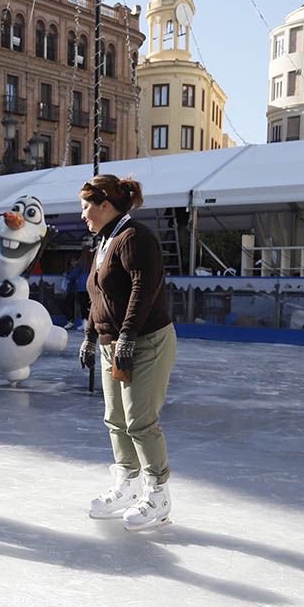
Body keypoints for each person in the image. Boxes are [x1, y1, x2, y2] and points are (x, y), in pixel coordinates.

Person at [79, 175, 177, 532]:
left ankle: (158, 494)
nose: (83, 215)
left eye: (87, 207)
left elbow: (143, 289)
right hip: (113, 344)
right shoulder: (105, 240)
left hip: (146, 342)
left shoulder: (135, 238)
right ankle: (128, 486)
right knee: (115, 419)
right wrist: (91, 336)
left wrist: (128, 336)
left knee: (140, 421)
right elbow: (98, 295)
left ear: (106, 205)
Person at [61, 254, 89, 329]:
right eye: (71, 261)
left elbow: (73, 276)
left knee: (83, 306)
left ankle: (84, 322)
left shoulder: (80, 267)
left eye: (74, 261)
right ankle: (82, 322)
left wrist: (67, 275)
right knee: (78, 305)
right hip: (76, 289)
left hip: (81, 288)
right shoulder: (74, 268)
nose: (73, 262)